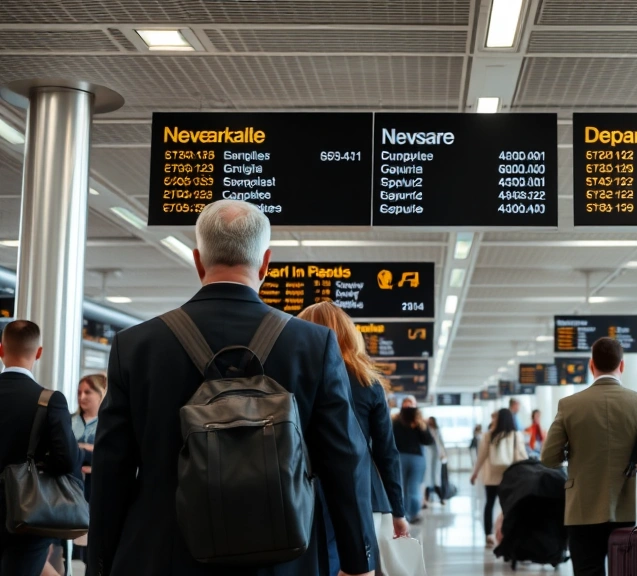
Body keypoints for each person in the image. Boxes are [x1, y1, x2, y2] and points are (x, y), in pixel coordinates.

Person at [88, 200, 376, 576]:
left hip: (164, 554)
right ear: (266, 262)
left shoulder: (136, 346)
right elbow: (345, 458)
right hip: (283, 554)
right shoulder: (313, 345)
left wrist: (99, 564)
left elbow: (112, 470)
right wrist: (360, 561)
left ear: (198, 260)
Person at [541, 337, 637, 576]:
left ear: (592, 366)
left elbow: (549, 457)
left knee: (588, 570)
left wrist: (575, 452)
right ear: (621, 366)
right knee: (631, 570)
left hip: (584, 506)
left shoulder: (569, 405)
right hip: (634, 506)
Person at [296, 302, 409, 576]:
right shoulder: (368, 383)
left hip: (303, 493)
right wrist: (398, 510)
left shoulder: (296, 378)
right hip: (363, 496)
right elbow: (386, 453)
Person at [0, 320, 80, 576]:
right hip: (29, 514)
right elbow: (67, 460)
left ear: (1, 350)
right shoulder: (49, 401)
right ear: (39, 352)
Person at [470, 408, 528, 547]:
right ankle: (506, 533)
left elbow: (481, 456)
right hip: (509, 477)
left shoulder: (488, 435)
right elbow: (522, 455)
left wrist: (475, 473)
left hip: (491, 476)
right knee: (507, 507)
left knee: (489, 504)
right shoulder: (515, 435)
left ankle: (489, 535)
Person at [72, 373, 108, 561]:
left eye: (88, 392)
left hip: (97, 490)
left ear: (101, 394)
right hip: (73, 489)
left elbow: (109, 455)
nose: (82, 397)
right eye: (79, 392)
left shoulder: (107, 424)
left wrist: (81, 450)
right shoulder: (70, 421)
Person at [392, 398, 434, 523]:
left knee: (412, 487)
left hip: (414, 458)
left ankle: (411, 513)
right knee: (404, 487)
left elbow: (428, 440)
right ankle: (405, 514)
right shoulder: (395, 421)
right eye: (406, 405)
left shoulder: (419, 422)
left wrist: (421, 426)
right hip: (402, 457)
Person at [424, 416, 448, 506]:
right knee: (428, 477)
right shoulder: (426, 430)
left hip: (436, 455)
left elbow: (441, 442)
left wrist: (443, 453)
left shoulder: (437, 430)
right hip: (428, 455)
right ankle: (426, 499)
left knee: (436, 477)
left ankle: (441, 497)